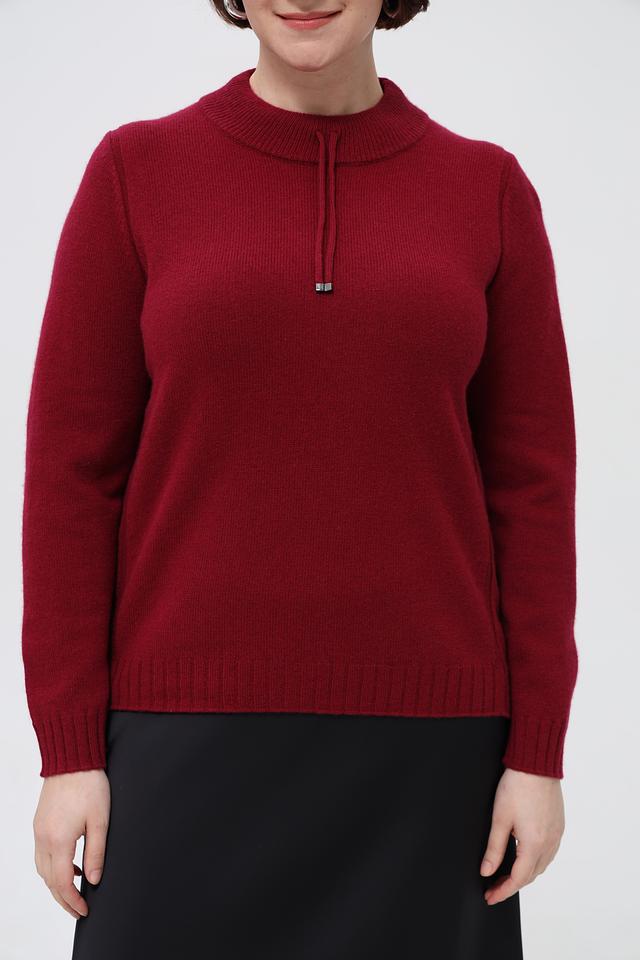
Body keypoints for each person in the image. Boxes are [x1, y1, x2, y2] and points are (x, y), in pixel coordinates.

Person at [21, 0, 579, 956]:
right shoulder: (134, 173)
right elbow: (72, 479)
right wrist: (66, 750)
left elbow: (533, 489)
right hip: (178, 743)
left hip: (431, 753)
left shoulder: (487, 189)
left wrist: (538, 750)